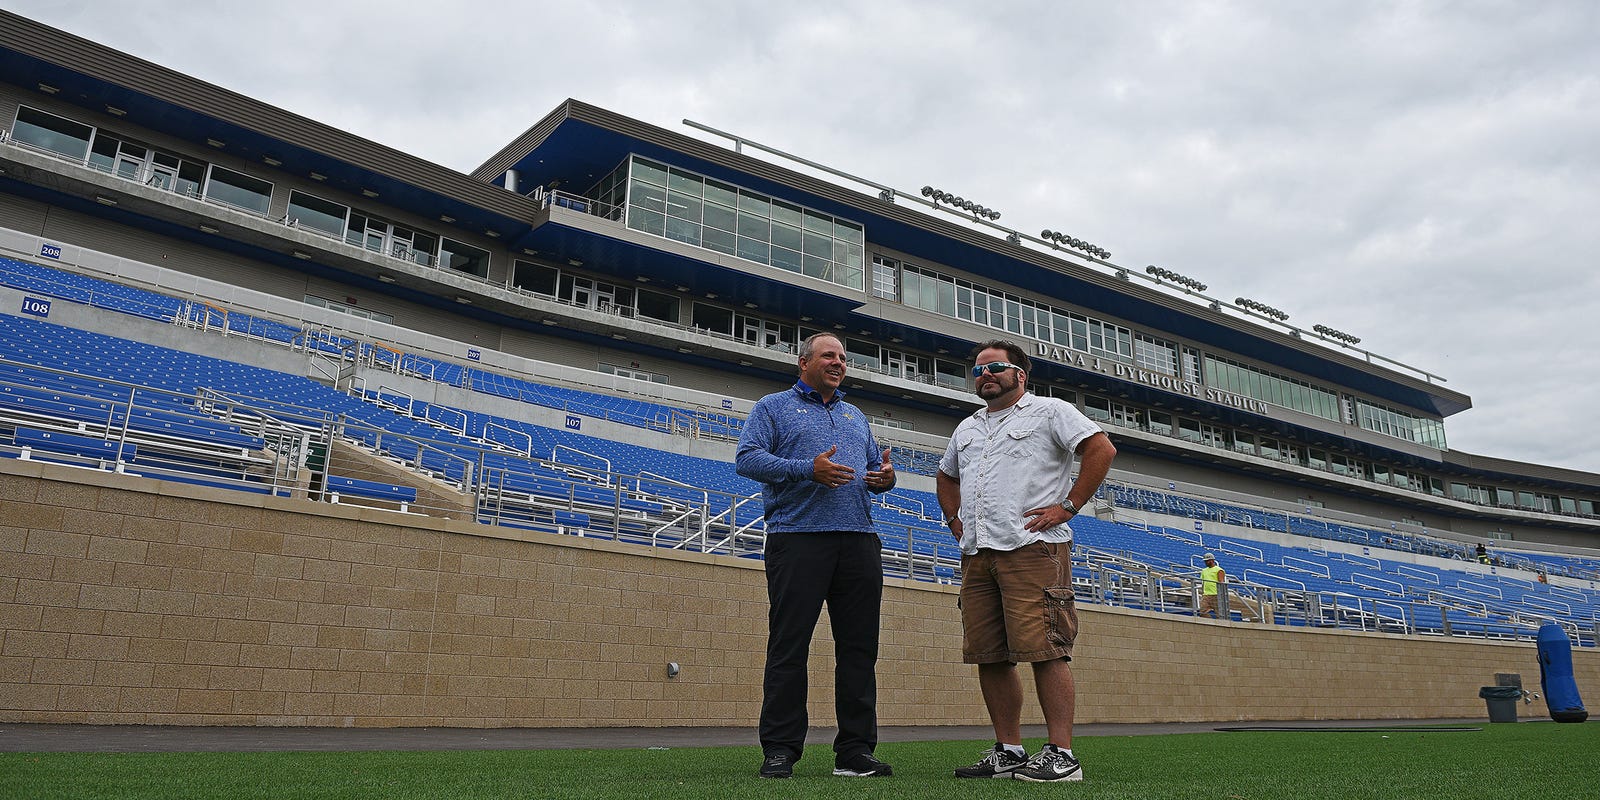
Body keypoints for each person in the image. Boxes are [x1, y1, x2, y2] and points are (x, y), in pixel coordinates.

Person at [935, 340, 1116, 783]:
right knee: (990, 655)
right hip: (979, 554)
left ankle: (1062, 755)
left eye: (996, 367)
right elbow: (946, 474)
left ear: (1021, 374)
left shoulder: (1050, 411)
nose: (986, 375)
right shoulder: (968, 427)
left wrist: (1068, 507)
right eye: (978, 370)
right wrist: (955, 520)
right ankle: (1010, 750)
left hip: (1033, 550)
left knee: (1046, 649)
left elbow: (1102, 450)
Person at [735, 332, 897, 780]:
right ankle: (781, 748)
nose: (839, 362)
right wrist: (807, 469)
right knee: (789, 647)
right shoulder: (771, 407)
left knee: (860, 651)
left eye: (843, 357)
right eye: (829, 355)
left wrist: (885, 479)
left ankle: (855, 752)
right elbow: (747, 459)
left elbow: (870, 473)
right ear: (803, 363)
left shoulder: (855, 415)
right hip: (798, 539)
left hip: (859, 541)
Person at [1197, 553, 1226, 619]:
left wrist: (1221, 594)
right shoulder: (1204, 571)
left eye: (1207, 560)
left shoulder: (1219, 570)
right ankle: (1210, 622)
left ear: (1212, 560)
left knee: (1219, 613)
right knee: (1202, 611)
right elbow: (1203, 582)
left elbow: (1221, 582)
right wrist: (1203, 592)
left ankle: (1221, 625)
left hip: (1216, 594)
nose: (1206, 562)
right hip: (1206, 595)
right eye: (1205, 561)